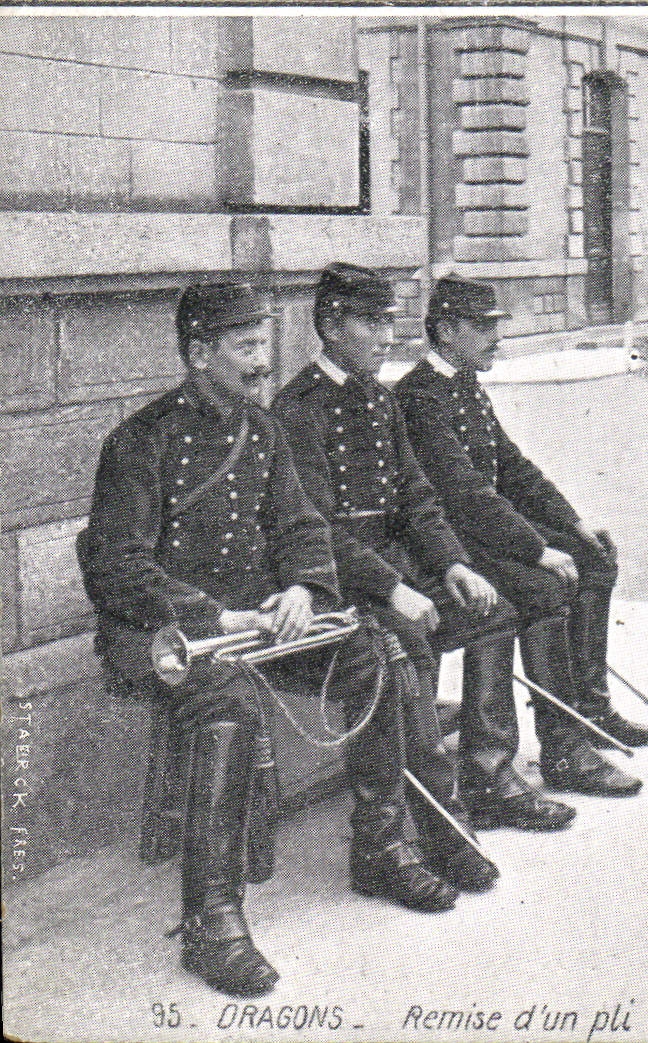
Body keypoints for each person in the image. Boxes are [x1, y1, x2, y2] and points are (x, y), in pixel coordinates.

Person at [77, 282, 472, 999]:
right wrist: (212, 616)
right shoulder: (141, 439)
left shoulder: (263, 431)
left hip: (260, 622)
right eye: (246, 346)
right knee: (227, 702)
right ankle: (212, 919)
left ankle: (381, 846)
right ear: (200, 353)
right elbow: (114, 564)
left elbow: (301, 528)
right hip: (161, 635)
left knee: (376, 652)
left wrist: (303, 590)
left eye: (264, 344)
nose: (263, 361)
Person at [273, 263, 585, 836]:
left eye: (389, 321)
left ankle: (488, 776)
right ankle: (432, 810)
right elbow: (316, 528)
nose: (386, 336)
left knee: (492, 610)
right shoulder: (298, 409)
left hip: (396, 569)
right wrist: (394, 588)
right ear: (331, 327)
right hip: (342, 581)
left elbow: (417, 499)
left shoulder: (379, 399)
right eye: (371, 323)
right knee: (410, 636)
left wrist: (453, 564)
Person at [395, 274, 647, 802]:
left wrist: (572, 524)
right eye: (482, 326)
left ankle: (589, 706)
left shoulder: (464, 382)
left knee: (594, 558)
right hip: (451, 543)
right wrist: (537, 549)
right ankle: (564, 748)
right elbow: (464, 493)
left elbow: (512, 468)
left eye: (496, 325)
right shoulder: (421, 396)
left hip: (483, 531)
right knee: (544, 588)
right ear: (446, 331)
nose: (496, 337)